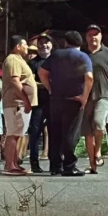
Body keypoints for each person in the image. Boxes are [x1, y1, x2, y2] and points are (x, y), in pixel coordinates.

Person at [39, 30, 93, 177]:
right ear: (80, 43)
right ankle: (69, 166)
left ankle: (55, 166)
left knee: (55, 132)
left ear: (65, 42)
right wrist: (84, 97)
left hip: (56, 99)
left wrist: (50, 88)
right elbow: (89, 77)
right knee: (70, 133)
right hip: (73, 100)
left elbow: (42, 72)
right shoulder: (83, 57)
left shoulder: (56, 55)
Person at [83, 24, 108, 174]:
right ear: (86, 37)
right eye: (90, 34)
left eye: (96, 34)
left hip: (103, 94)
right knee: (87, 132)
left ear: (101, 36)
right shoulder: (83, 54)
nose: (93, 37)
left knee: (99, 124)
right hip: (86, 97)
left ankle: (98, 151)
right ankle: (92, 165)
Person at [0, 35, 36, 176]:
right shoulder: (13, 59)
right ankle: (10, 166)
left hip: (19, 103)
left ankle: (14, 164)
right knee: (13, 134)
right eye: (25, 45)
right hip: (16, 103)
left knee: (17, 134)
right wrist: (26, 100)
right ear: (18, 46)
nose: (27, 47)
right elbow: (15, 82)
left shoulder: (19, 60)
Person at [26, 32, 53, 173]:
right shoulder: (32, 63)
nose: (44, 45)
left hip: (55, 103)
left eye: (46, 42)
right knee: (35, 133)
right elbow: (29, 83)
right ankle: (34, 163)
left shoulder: (57, 60)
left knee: (55, 132)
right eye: (41, 42)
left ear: (52, 45)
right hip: (37, 103)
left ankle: (55, 163)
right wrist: (47, 84)